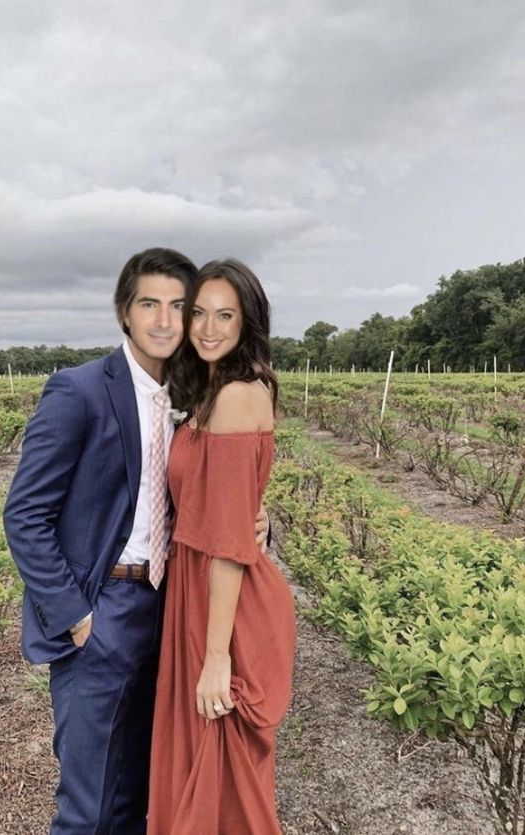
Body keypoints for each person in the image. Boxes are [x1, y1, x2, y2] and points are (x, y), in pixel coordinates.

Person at [3, 248, 268, 835]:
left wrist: (257, 519)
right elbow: (24, 515)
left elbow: (200, 492)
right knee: (89, 804)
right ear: (124, 312)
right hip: (105, 610)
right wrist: (75, 615)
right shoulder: (78, 391)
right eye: (151, 304)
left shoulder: (188, 393)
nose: (167, 321)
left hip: (173, 610)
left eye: (182, 307)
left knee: (144, 791)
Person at [147, 259, 297, 835]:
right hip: (198, 588)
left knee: (222, 778)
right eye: (198, 313)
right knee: (203, 767)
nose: (208, 328)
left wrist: (216, 659)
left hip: (220, 604)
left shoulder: (237, 396)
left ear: (247, 322)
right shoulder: (212, 390)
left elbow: (231, 543)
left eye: (225, 315)